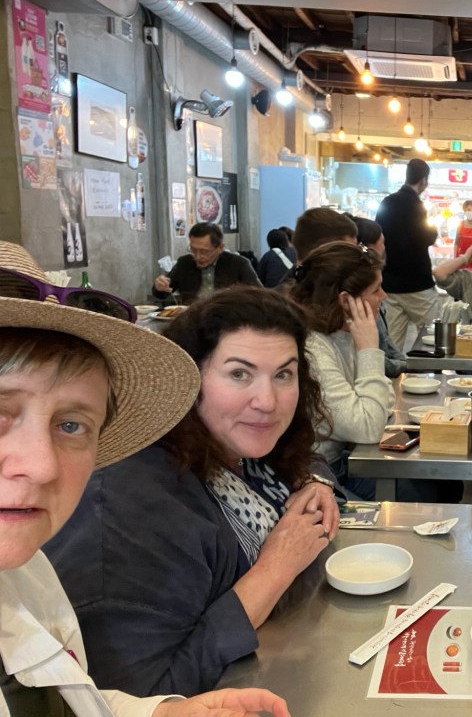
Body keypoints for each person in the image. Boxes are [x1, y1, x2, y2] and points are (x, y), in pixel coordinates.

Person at [0, 241, 290, 716]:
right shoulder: (130, 509)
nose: (43, 465)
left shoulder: (26, 573)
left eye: (71, 425)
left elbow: (72, 695)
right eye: (239, 374)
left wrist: (159, 712)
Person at [45, 286, 340, 697]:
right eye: (239, 374)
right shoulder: (129, 512)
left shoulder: (231, 440)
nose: (268, 401)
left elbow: (304, 456)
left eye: (283, 375)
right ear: (188, 378)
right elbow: (142, 695)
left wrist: (317, 482)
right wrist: (276, 568)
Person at [288, 241, 392, 500]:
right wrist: (369, 349)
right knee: (407, 501)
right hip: (310, 477)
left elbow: (384, 398)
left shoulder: (342, 332)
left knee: (426, 489)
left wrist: (370, 404)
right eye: (376, 290)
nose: (384, 297)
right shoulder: (312, 348)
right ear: (346, 300)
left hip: (336, 463)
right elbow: (369, 426)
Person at [375, 158, 439, 350]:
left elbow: (377, 237)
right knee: (434, 339)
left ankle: (391, 371)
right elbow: (426, 237)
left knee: (392, 345)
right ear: (423, 180)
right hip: (417, 284)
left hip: (390, 285)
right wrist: (433, 230)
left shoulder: (387, 202)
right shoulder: (417, 206)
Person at [152, 222, 260, 304]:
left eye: (204, 252)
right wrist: (159, 287)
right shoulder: (184, 263)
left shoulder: (239, 264)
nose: (198, 256)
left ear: (220, 248)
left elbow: (261, 297)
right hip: (190, 319)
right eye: (193, 250)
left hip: (228, 320)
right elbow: (162, 294)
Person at [354, 216, 406, 377]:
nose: (383, 296)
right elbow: (378, 358)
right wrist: (406, 365)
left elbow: (387, 344)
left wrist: (404, 363)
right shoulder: (363, 299)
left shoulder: (373, 296)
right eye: (382, 242)